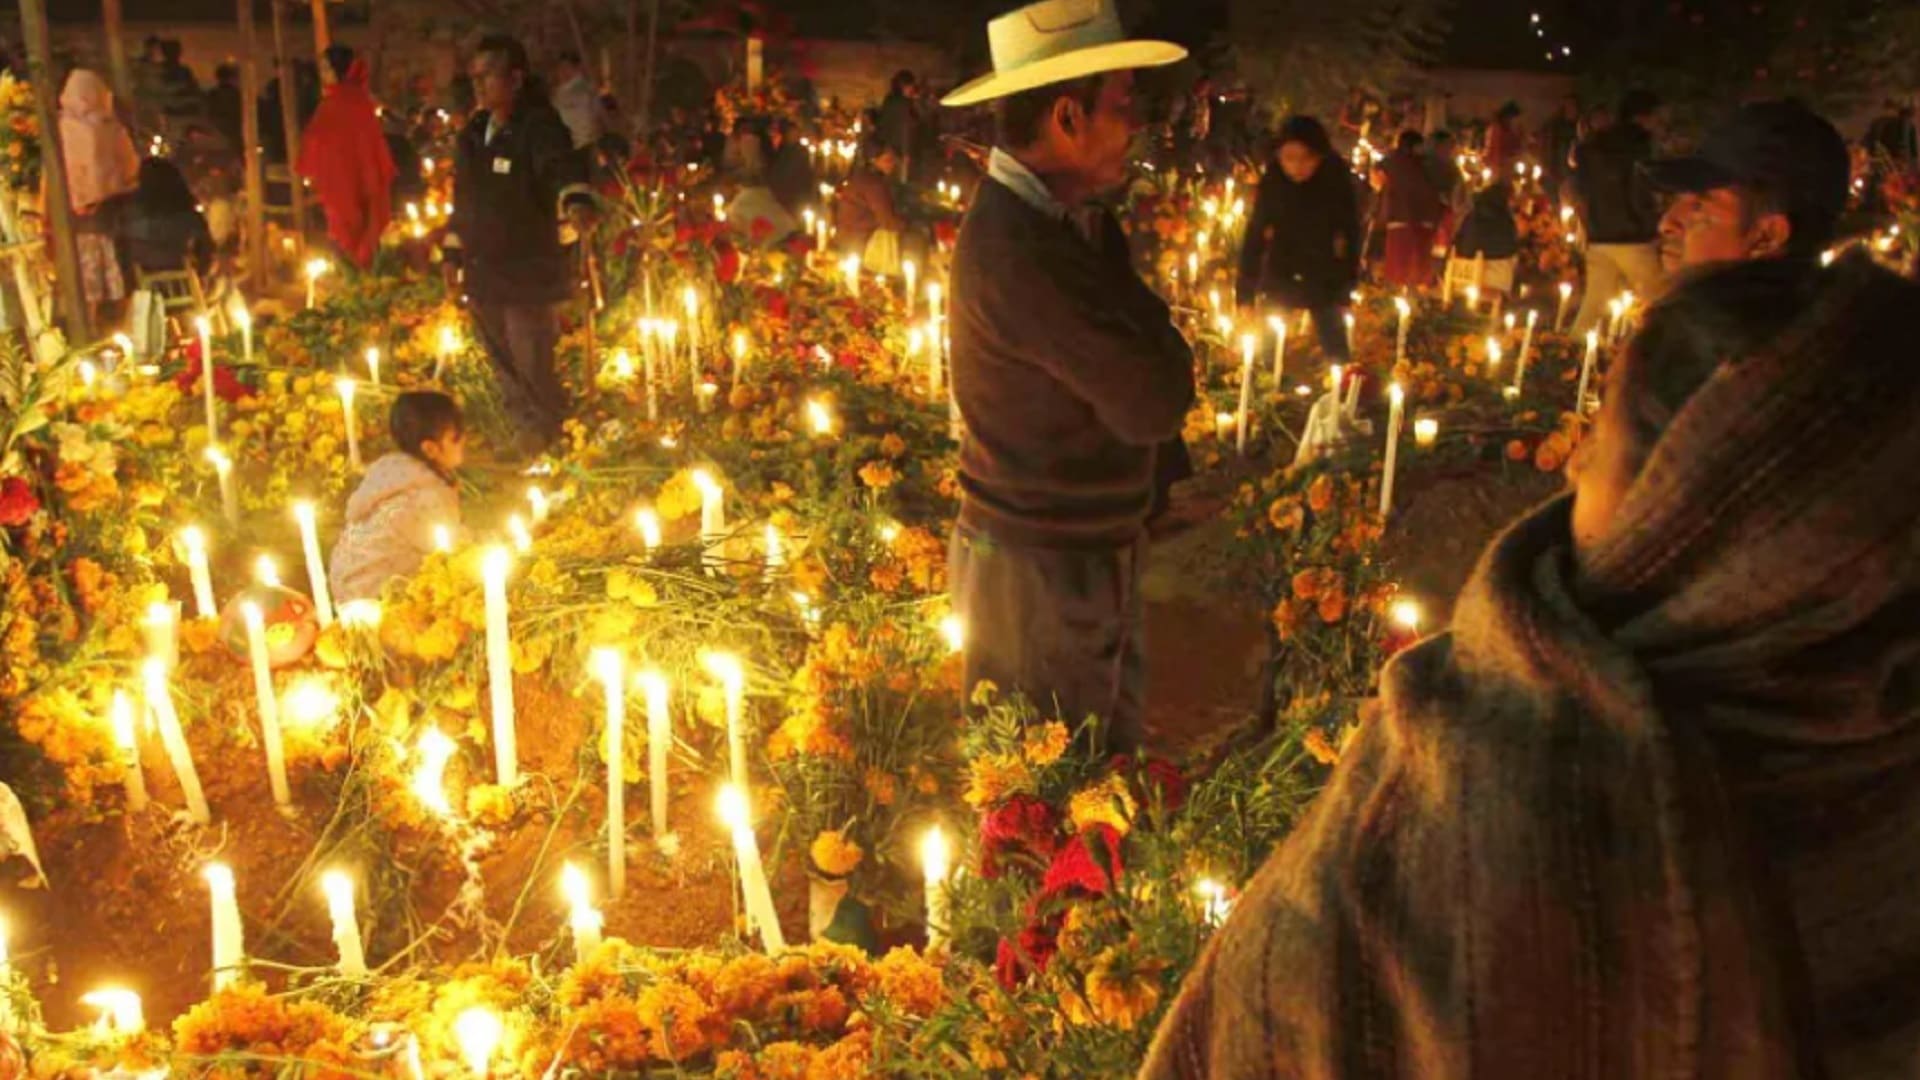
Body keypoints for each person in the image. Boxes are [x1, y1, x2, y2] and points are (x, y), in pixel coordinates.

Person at [1143, 100, 1920, 1080]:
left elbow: (1266, 1020)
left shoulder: (1502, 797)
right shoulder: (1874, 744)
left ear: (1692, 518)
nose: (1573, 460)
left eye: (1606, 436)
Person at [939, 0, 1192, 753]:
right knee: (1042, 800)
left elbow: (1152, 364)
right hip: (1037, 574)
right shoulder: (1021, 252)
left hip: (1078, 552)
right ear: (1067, 119)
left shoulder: (1075, 227)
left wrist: (1156, 344)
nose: (1136, 123)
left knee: (1097, 781)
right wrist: (1162, 346)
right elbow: (1156, 397)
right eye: (1121, 103)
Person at [445, 33, 593, 457]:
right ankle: (522, 431)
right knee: (502, 357)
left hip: (527, 267)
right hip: (484, 266)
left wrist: (576, 196)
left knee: (531, 358)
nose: (478, 86)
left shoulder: (538, 126)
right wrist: (453, 250)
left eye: (487, 75)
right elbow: (464, 199)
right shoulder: (475, 133)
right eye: (473, 77)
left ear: (515, 78)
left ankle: (550, 435)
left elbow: (559, 166)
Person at [1236, 115, 1359, 363]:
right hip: (1282, 266)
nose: (1296, 167)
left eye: (1305, 158)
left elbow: (1351, 236)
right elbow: (1255, 236)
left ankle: (1344, 389)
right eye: (1289, 159)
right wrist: (1245, 294)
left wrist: (1346, 288)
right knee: (1269, 348)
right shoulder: (1274, 182)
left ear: (1320, 156)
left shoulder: (1335, 182)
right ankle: (1267, 390)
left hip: (1323, 272)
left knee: (1334, 343)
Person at [329, 392, 468, 603]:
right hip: (372, 596)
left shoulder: (391, 471)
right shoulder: (427, 494)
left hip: (345, 581)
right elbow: (454, 549)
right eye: (456, 438)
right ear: (430, 449)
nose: (464, 440)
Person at [1571, 89, 1666, 334]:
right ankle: (1654, 358)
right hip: (1633, 235)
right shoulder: (1638, 144)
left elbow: (1579, 190)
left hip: (1599, 233)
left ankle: (1571, 352)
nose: (1659, 123)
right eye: (1657, 116)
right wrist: (1652, 221)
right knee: (1659, 301)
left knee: (1595, 302)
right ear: (1643, 116)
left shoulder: (1590, 146)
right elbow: (1641, 189)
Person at [296, 45, 398, 270]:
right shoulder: (361, 101)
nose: (322, 75)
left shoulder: (336, 103)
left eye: (325, 69)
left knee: (345, 235)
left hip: (341, 182)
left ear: (338, 71)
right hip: (353, 179)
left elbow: (317, 140)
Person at [55, 69, 139, 328]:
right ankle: (112, 325)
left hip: (70, 214)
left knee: (83, 273)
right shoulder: (111, 128)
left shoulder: (59, 128)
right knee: (107, 270)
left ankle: (86, 325)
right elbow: (130, 169)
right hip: (107, 212)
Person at [122, 157, 215, 278]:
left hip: (142, 280)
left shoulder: (132, 209)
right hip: (182, 277)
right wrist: (200, 273)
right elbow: (206, 246)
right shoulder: (186, 212)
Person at [1375, 129, 1443, 288]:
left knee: (1402, 268)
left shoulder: (1394, 161)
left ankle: (1402, 298)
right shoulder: (1428, 163)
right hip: (1420, 219)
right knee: (1417, 265)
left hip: (1403, 219)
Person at [835, 137, 906, 274]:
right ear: (874, 161)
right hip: (860, 240)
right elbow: (887, 221)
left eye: (893, 160)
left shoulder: (861, 176)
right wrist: (907, 225)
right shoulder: (873, 184)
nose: (892, 165)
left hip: (847, 236)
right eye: (887, 160)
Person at [549, 49, 601, 154]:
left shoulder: (583, 91)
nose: (562, 72)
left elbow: (588, 121)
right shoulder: (557, 93)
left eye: (567, 67)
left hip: (582, 147)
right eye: (560, 68)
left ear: (576, 68)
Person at [765, 118, 815, 216]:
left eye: (796, 133)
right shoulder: (780, 152)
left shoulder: (801, 151)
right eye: (791, 133)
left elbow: (806, 173)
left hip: (798, 193)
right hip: (783, 193)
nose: (794, 136)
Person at [206, 63, 243, 150]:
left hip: (219, 137)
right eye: (235, 76)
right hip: (231, 136)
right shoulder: (237, 96)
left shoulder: (212, 95)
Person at [1483, 100, 1523, 174]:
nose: (1511, 121)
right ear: (1503, 117)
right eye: (1509, 117)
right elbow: (1491, 149)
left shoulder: (1512, 133)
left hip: (1508, 168)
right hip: (1495, 167)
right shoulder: (1495, 130)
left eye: (1512, 118)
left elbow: (1516, 150)